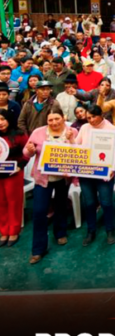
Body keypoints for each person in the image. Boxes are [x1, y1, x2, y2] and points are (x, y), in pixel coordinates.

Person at [23, 110, 78, 264]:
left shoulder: (72, 131)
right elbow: (26, 152)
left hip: (63, 178)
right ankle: (38, 249)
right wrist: (29, 151)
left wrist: (71, 140)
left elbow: (79, 153)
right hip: (43, 179)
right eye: (50, 120)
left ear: (63, 118)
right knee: (39, 211)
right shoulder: (38, 132)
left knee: (61, 206)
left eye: (57, 119)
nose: (54, 122)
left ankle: (60, 233)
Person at [74, 105, 115, 246]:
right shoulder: (84, 128)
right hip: (86, 172)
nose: (91, 120)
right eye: (88, 118)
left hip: (104, 172)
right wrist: (70, 139)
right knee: (89, 203)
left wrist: (112, 166)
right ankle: (91, 231)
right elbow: (76, 146)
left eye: (93, 117)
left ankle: (110, 230)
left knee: (106, 202)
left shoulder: (113, 130)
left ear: (101, 114)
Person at [0, 109, 29, 247]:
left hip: (14, 174)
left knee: (14, 202)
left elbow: (28, 152)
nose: (0, 123)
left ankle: (14, 231)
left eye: (2, 119)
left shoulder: (19, 134)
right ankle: (4, 231)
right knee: (1, 203)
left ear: (9, 119)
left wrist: (20, 166)